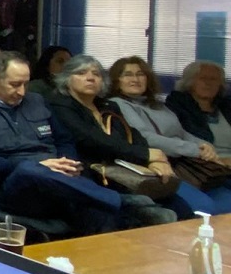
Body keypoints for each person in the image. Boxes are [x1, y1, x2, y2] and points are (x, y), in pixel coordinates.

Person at [0, 52, 172, 235]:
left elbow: (64, 139)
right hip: (12, 187)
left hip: (59, 182)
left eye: (26, 83)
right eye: (15, 84)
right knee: (30, 169)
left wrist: (68, 162)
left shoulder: (37, 101)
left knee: (97, 211)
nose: (22, 91)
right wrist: (41, 166)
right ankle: (123, 201)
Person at [47, 55, 197, 219]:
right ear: (67, 79)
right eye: (81, 73)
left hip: (126, 173)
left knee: (182, 208)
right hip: (91, 177)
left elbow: (133, 135)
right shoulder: (60, 104)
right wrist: (146, 155)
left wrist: (153, 159)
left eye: (96, 74)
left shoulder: (107, 105)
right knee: (158, 214)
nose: (90, 78)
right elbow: (92, 140)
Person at [109, 56, 231, 213]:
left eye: (140, 74)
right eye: (127, 74)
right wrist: (194, 149)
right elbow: (146, 138)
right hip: (159, 167)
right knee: (205, 208)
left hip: (188, 165)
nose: (135, 79)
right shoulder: (117, 104)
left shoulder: (157, 105)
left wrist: (203, 145)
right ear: (117, 80)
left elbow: (181, 132)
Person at [166, 61, 231, 157]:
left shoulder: (227, 106)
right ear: (190, 82)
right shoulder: (177, 107)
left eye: (213, 79)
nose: (208, 83)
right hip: (203, 163)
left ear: (220, 84)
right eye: (203, 78)